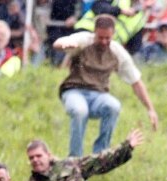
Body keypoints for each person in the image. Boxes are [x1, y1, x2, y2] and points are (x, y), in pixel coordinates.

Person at [54, 14, 158, 157]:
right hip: (74, 90)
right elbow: (58, 43)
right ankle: (75, 160)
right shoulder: (84, 40)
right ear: (95, 32)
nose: (103, 41)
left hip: (98, 95)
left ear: (113, 35)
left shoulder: (117, 52)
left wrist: (150, 109)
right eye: (100, 37)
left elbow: (136, 82)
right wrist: (64, 45)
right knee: (80, 111)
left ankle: (101, 156)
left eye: (107, 38)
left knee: (113, 106)